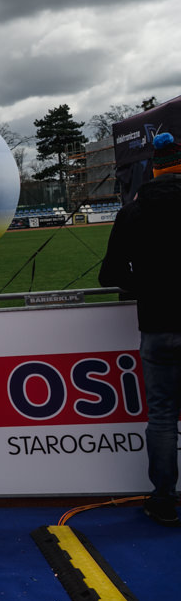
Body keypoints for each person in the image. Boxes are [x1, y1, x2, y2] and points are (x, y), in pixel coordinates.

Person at [99, 131, 181, 526]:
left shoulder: (133, 212)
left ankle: (164, 499)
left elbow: (110, 275)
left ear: (154, 170)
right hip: (159, 324)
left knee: (162, 416)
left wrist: (145, 286)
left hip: (157, 325)